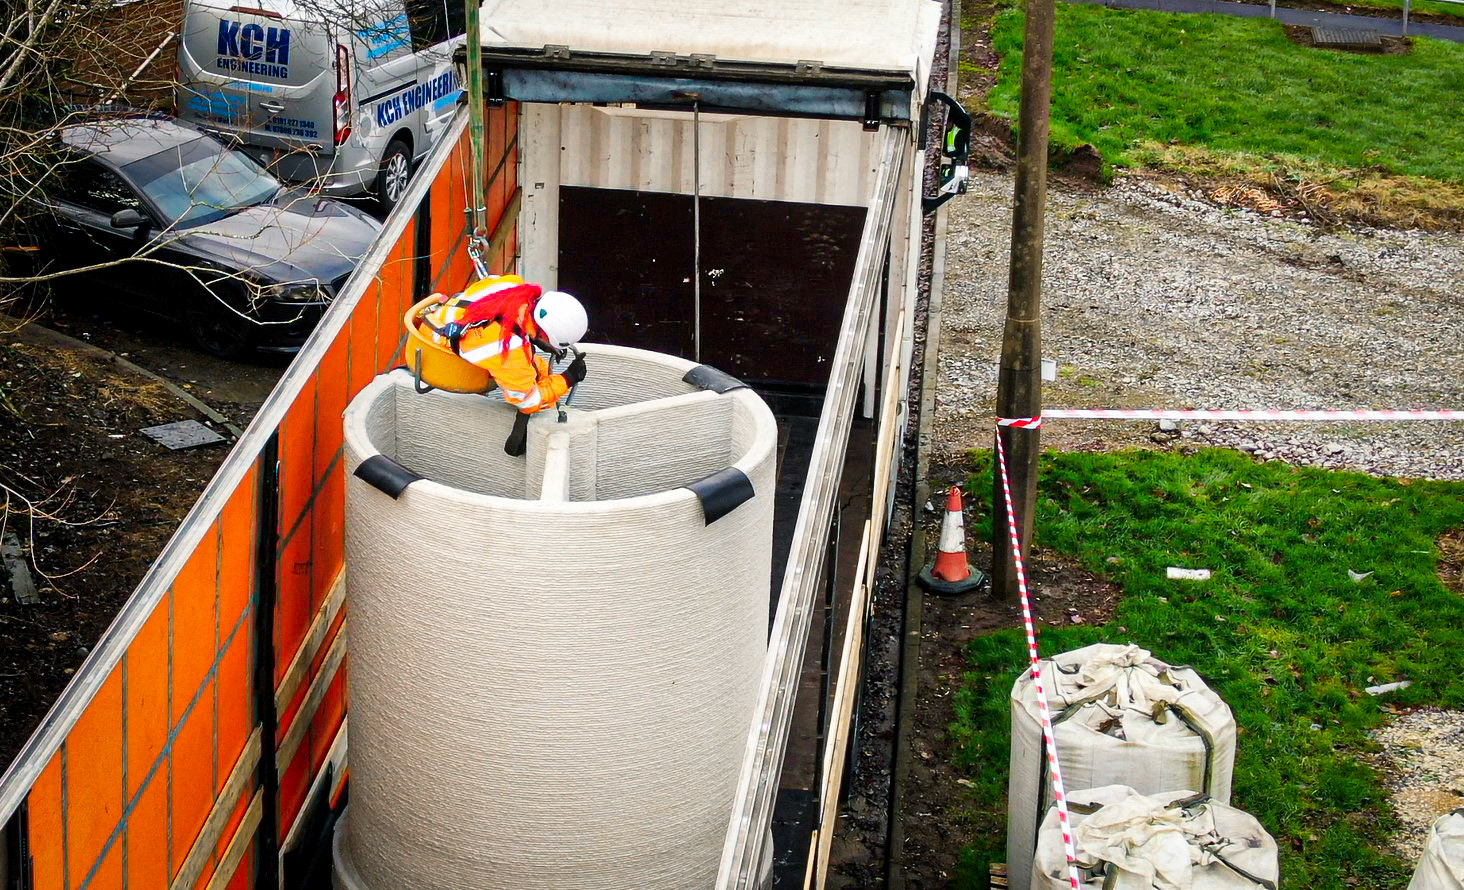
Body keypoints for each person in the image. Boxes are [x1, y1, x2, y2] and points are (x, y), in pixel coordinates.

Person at [420, 277, 588, 414]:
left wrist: (544, 375)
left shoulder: (513, 286)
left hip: (437, 319)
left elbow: (523, 361)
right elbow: (528, 402)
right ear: (544, 334)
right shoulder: (506, 348)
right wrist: (567, 379)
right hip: (438, 354)